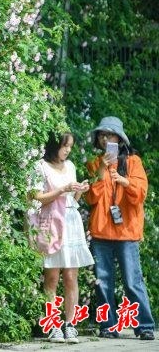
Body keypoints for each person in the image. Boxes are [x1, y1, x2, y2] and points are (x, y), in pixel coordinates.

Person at [85, 116, 155, 340]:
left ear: (120, 140)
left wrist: (125, 181)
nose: (105, 139)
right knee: (103, 281)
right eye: (102, 135)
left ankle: (145, 326)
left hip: (127, 231)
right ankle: (108, 326)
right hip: (101, 231)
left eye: (110, 135)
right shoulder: (94, 164)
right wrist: (102, 169)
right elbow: (91, 198)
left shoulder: (133, 162)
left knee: (132, 281)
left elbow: (140, 194)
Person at [30, 132, 94, 343]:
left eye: (70, 146)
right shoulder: (40, 166)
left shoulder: (71, 166)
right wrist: (62, 190)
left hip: (71, 221)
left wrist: (80, 190)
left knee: (71, 276)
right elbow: (36, 197)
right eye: (64, 145)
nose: (67, 150)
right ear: (54, 144)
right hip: (51, 223)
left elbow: (72, 199)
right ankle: (52, 325)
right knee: (51, 277)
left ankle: (70, 325)